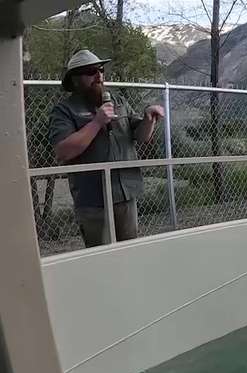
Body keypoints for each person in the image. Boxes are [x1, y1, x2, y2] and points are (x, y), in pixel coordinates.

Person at [49, 49, 164, 247]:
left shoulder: (118, 101)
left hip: (125, 193)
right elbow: (63, 151)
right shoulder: (64, 110)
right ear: (75, 80)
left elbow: (141, 136)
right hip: (94, 199)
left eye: (100, 69)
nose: (98, 75)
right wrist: (96, 122)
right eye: (90, 71)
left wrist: (149, 119)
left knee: (129, 252)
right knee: (99, 256)